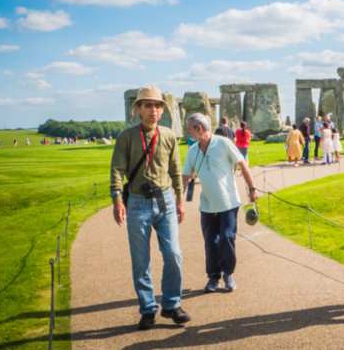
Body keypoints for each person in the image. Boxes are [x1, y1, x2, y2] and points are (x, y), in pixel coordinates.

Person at [109, 86, 189, 330]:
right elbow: (117, 170)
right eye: (148, 105)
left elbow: (176, 169)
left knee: (173, 254)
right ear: (138, 108)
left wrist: (180, 198)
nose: (154, 109)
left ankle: (172, 304)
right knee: (141, 260)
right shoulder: (127, 137)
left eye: (158, 105)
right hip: (136, 202)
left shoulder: (168, 135)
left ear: (162, 109)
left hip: (164, 199)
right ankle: (147, 310)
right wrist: (117, 200)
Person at [181, 113, 259, 294]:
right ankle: (213, 277)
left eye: (189, 129)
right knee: (210, 242)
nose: (188, 133)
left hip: (229, 203)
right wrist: (178, 200)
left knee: (226, 237)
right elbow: (185, 177)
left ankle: (228, 274)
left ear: (199, 128)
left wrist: (252, 188)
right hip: (207, 206)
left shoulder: (223, 143)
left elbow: (243, 164)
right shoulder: (192, 151)